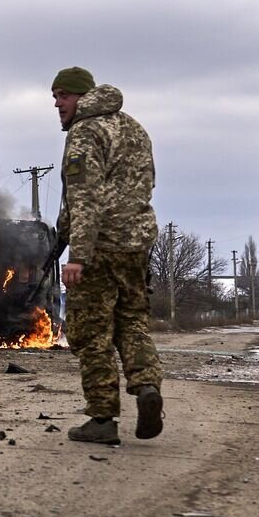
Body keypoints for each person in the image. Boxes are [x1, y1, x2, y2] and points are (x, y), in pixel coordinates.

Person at [52, 66, 164, 445]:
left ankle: (102, 418)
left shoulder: (86, 132)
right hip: (136, 245)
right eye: (54, 96)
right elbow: (145, 184)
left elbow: (85, 199)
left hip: (99, 247)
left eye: (63, 95)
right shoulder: (133, 128)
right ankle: (147, 385)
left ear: (83, 96)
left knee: (91, 333)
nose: (57, 103)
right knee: (132, 321)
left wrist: (77, 255)